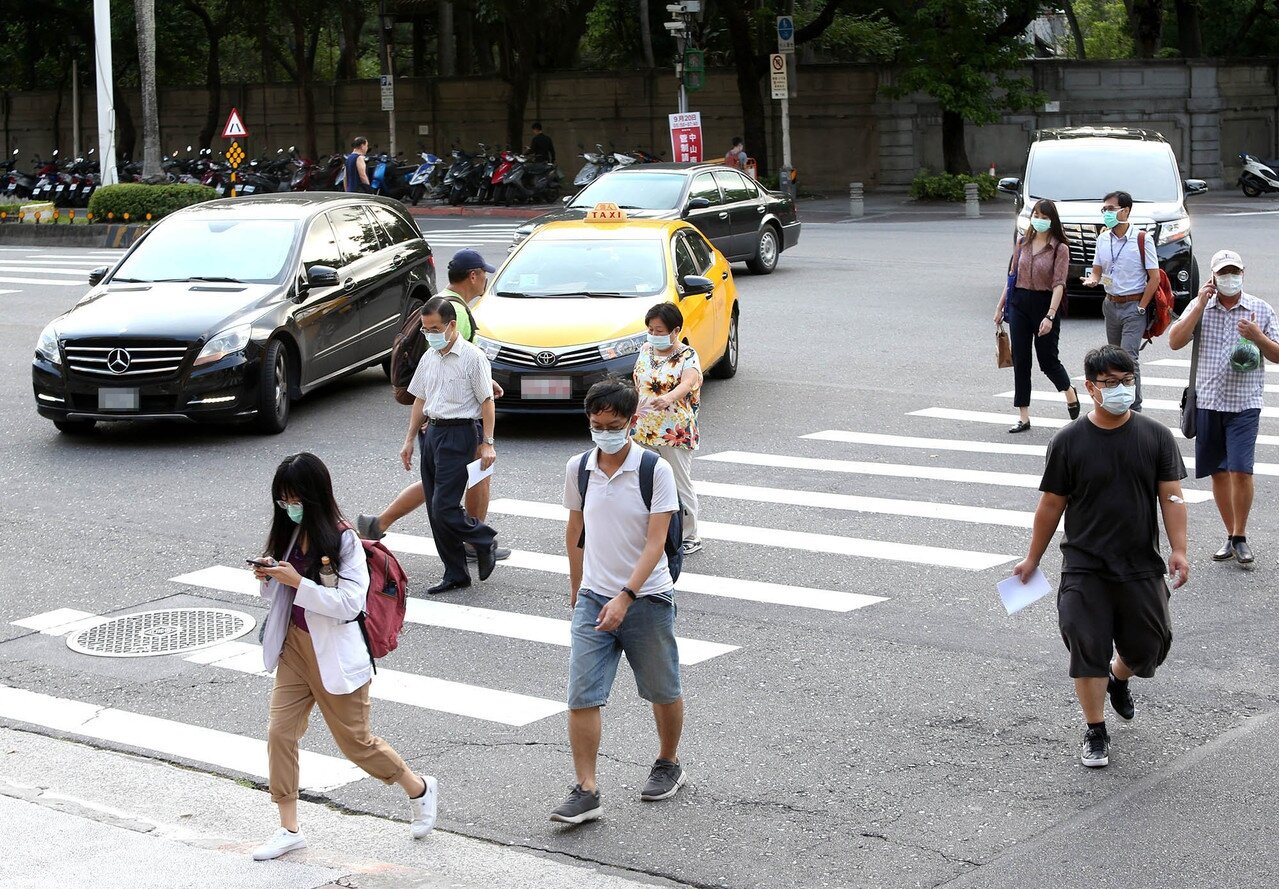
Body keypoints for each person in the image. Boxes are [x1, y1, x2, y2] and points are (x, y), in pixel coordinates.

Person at [251, 452, 436, 861]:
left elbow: (351, 604)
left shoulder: (344, 539)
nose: (289, 508)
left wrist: (298, 582)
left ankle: (418, 788)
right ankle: (288, 828)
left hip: (333, 653)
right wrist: (268, 576)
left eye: (295, 500)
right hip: (294, 647)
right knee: (280, 734)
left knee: (357, 744)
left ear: (314, 496)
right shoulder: (286, 534)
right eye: (283, 501)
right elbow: (275, 595)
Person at [1012, 345, 1188, 769]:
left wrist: (1179, 549)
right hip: (1085, 564)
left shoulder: (1155, 436)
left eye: (1127, 381)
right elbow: (1051, 504)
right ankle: (1095, 729)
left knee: (1149, 647)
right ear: (1090, 388)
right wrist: (1032, 559)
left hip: (1140, 564)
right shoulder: (1068, 441)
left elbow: (1172, 495)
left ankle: (1118, 676)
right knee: (1086, 645)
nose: (1121, 389)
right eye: (1110, 383)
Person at [551, 378, 687, 824]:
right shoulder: (579, 468)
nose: (604, 433)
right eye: (596, 425)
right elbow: (575, 531)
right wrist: (578, 589)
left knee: (662, 688)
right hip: (594, 599)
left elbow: (655, 542)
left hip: (646, 598)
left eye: (613, 426)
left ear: (631, 423)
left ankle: (668, 761)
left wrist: (626, 597)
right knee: (582, 695)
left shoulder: (654, 470)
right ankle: (586, 788)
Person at [358, 250, 510, 563]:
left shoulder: (439, 302)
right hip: (456, 421)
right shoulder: (456, 315)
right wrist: (484, 436)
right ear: (473, 276)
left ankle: (380, 523)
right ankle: (475, 541)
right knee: (476, 474)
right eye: (484, 274)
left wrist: (484, 380)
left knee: (440, 483)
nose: (486, 279)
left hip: (438, 417)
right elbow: (457, 364)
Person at [1168, 249, 1279, 566]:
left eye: (1234, 272)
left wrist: (1257, 336)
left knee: (1241, 469)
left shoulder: (1260, 309)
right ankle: (1231, 535)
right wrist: (1199, 305)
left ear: (1243, 274)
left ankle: (1241, 536)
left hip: (1245, 403)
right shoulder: (1201, 306)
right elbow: (1175, 341)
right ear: (1213, 277)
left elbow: (1277, 354)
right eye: (1223, 273)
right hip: (1208, 401)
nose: (1229, 278)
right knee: (1218, 471)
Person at [402, 296, 500, 595]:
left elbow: (487, 401)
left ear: (452, 325)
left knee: (444, 507)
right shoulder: (429, 357)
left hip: (460, 434)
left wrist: (487, 443)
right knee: (435, 511)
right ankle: (455, 573)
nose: (430, 334)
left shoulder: (472, 357)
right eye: (425, 329)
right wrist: (409, 439)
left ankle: (483, 538)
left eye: (435, 328)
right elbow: (420, 398)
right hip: (432, 433)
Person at [994, 199, 1079, 433]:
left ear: (1052, 220)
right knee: (1021, 360)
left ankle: (1069, 391)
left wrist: (1050, 316)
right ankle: (1023, 416)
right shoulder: (1022, 243)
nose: (1039, 220)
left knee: (1048, 361)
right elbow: (1012, 277)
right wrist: (1000, 306)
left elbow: (1059, 284)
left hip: (1045, 303)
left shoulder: (1060, 248)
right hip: (1019, 303)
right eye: (1036, 215)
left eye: (1044, 217)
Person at [632, 302, 704, 555]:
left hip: (675, 431)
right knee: (645, 481)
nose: (654, 335)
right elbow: (638, 382)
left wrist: (668, 398)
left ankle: (689, 535)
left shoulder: (688, 355)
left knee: (678, 483)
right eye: (651, 329)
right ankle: (653, 533)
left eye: (660, 330)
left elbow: (688, 383)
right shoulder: (645, 350)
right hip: (643, 428)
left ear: (676, 330)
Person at [1082, 190, 1159, 412]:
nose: (1106, 213)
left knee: (1129, 358)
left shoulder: (1142, 239)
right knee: (1114, 358)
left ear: (1125, 211)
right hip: (1110, 304)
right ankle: (1117, 403)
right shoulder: (1103, 239)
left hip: (1134, 305)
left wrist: (1142, 307)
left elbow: (1154, 277)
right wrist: (1093, 280)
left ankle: (1134, 408)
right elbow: (1097, 270)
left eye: (1111, 209)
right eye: (1104, 209)